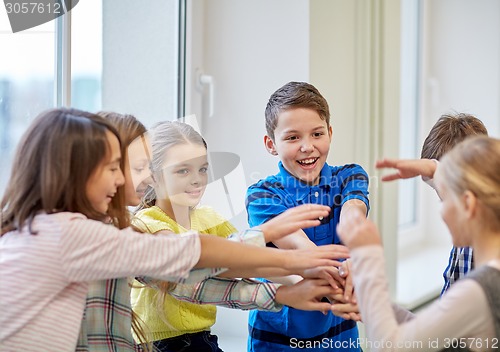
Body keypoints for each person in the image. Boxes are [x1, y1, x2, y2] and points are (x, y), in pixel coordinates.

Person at [0, 108, 349, 351]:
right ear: (73, 170)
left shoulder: (93, 231)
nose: (134, 179)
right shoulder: (71, 234)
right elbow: (189, 255)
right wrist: (290, 255)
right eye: (121, 168)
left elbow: (188, 280)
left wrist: (284, 289)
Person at [130, 120, 345, 352]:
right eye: (183, 170)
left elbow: (248, 260)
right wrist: (271, 238)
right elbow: (188, 275)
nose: (197, 179)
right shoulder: (147, 223)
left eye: (202, 169)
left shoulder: (209, 218)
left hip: (203, 341)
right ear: (152, 175)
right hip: (156, 346)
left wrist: (317, 286)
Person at [337, 135, 500, 351]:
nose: (442, 211)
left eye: (444, 199)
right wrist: (376, 307)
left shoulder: (479, 290)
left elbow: (390, 347)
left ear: (468, 204)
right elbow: (435, 335)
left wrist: (368, 256)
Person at [246, 81, 370, 351]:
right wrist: (344, 276)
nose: (307, 147)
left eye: (317, 134)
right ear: (271, 144)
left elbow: (353, 217)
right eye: (292, 138)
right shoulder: (261, 194)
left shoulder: (351, 176)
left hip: (340, 336)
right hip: (277, 339)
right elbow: (305, 253)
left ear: (330, 133)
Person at [376, 113, 488, 295]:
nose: (443, 211)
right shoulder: (463, 245)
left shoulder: (486, 258)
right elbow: (444, 319)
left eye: (447, 197)